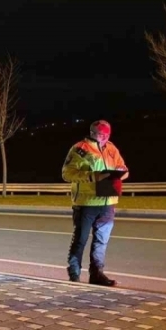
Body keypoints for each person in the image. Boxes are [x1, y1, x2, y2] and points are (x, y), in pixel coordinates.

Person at [61, 120, 129, 286]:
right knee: (81, 239)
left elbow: (124, 168)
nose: (105, 137)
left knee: (101, 240)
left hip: (108, 201)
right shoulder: (80, 149)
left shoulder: (112, 148)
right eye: (101, 134)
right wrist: (93, 176)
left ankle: (97, 274)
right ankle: (74, 273)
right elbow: (67, 173)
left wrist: (120, 174)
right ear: (92, 133)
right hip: (86, 202)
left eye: (107, 134)